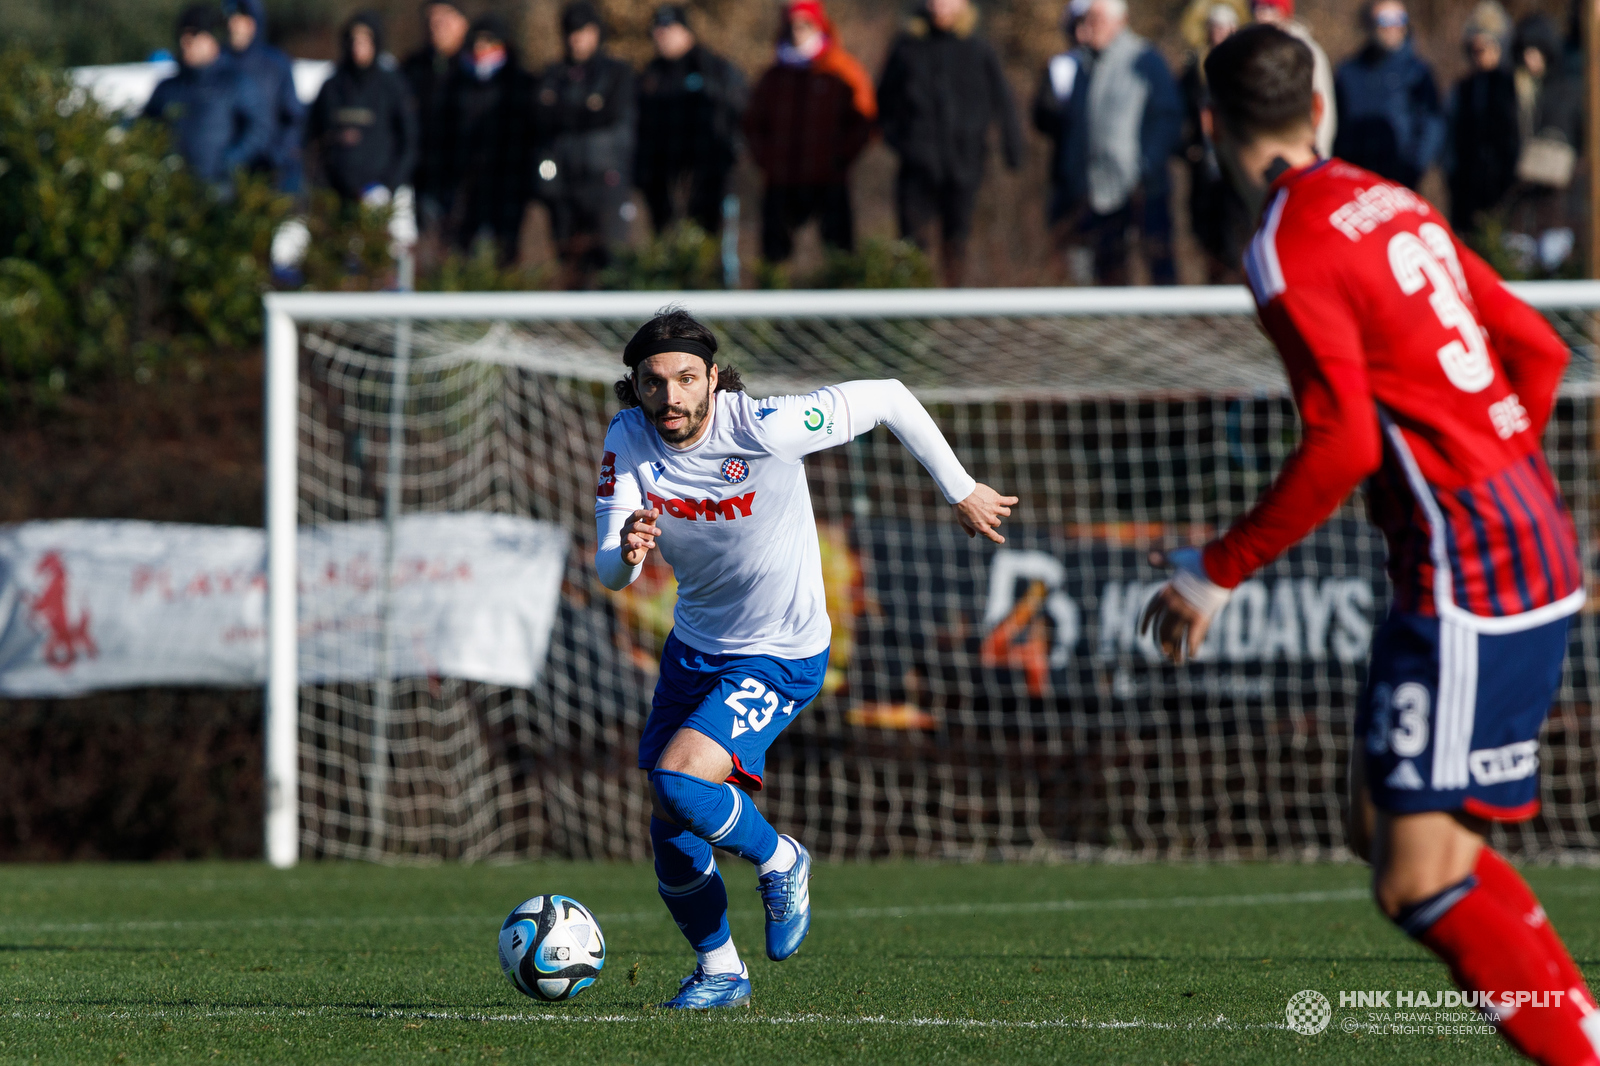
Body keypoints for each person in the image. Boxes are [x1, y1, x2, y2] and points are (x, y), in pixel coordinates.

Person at [1142, 26, 1599, 1066]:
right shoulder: (1392, 198)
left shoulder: (1280, 243)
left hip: (1474, 561)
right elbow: (1535, 346)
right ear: (1316, 110)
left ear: (1210, 127)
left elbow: (1343, 438)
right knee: (1376, 818)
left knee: (1414, 872)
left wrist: (1216, 570)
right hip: (1499, 532)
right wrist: (1495, 463)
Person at [594, 307, 1015, 1008]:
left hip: (782, 651)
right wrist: (628, 551)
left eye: (686, 379)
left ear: (712, 381)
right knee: (669, 831)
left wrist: (960, 488)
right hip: (694, 648)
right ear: (634, 387)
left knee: (677, 783)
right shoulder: (627, 438)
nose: (671, 397)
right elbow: (612, 569)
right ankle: (721, 971)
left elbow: (886, 395)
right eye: (654, 382)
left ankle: (781, 858)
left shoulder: (762, 426)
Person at [877, 0, 1023, 285]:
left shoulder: (978, 49)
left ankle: (957, 315)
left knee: (958, 242)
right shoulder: (907, 47)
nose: (939, 6)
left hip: (964, 164)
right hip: (917, 167)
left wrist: (1012, 149)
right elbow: (883, 103)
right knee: (911, 245)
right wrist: (902, 143)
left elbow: (1004, 101)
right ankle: (913, 312)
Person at [1053, 0, 1184, 286]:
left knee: (1157, 263)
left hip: (1142, 187)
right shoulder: (1086, 63)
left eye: (1096, 20)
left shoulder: (1145, 58)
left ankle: (1172, 328)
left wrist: (1146, 165)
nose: (1088, 28)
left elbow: (1168, 116)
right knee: (1108, 269)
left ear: (1120, 20)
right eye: (1086, 20)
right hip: (1096, 190)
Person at [742, 0, 876, 265]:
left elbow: (864, 120)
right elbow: (752, 124)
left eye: (806, 24)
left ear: (820, 25)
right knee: (775, 260)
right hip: (781, 181)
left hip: (829, 179)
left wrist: (840, 157)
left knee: (838, 256)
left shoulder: (843, 70)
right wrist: (767, 160)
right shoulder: (773, 76)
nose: (798, 30)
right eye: (792, 24)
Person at [532, 1, 638, 289]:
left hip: (605, 182)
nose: (575, 39)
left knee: (611, 262)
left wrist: (565, 109)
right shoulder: (553, 74)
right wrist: (587, 107)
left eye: (583, 31)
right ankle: (575, 332)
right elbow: (542, 114)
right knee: (569, 263)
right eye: (570, 32)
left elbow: (608, 112)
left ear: (597, 33)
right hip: (564, 185)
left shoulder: (616, 72)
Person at [634, 6, 747, 237]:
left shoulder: (713, 68)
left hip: (710, 177)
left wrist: (731, 153)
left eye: (667, 29)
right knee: (667, 246)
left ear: (686, 31)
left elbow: (740, 112)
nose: (661, 36)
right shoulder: (650, 75)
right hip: (663, 181)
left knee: (710, 245)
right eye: (657, 30)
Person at [143, 4, 272, 193]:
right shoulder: (167, 88)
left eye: (194, 34)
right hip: (171, 195)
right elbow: (145, 128)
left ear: (212, 40)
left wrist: (229, 162)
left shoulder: (235, 83)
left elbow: (259, 128)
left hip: (220, 195)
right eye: (182, 35)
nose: (185, 42)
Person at [307, 12, 419, 208]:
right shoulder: (332, 86)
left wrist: (388, 187)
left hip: (379, 199)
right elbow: (312, 137)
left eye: (365, 39)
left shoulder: (392, 85)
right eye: (353, 39)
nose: (358, 46)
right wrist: (320, 183)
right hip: (334, 195)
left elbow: (409, 141)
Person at [1333, 0, 1445, 189]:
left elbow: (1431, 126)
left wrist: (1412, 169)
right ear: (1369, 23)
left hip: (1401, 182)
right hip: (1355, 182)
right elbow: (1338, 126)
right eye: (1385, 20)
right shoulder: (1348, 73)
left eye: (1400, 19)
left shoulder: (1418, 73)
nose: (1393, 27)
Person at [1177, 0, 1251, 283]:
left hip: (1235, 167)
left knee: (1238, 237)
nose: (1219, 33)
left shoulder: (1244, 65)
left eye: (1225, 27)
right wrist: (1188, 146)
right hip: (1205, 169)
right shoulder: (1194, 68)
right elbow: (1183, 113)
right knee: (1207, 239)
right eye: (1214, 27)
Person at [447, 15, 532, 263]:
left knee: (506, 252)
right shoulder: (458, 83)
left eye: (488, 40)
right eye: (476, 41)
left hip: (509, 182)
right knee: (461, 252)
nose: (480, 48)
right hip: (468, 182)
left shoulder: (520, 83)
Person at [1505, 13, 1583, 274]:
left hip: (1561, 210)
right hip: (1518, 211)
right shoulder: (1514, 94)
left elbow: (1583, 147)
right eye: (1525, 51)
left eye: (1536, 51)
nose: (1530, 58)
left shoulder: (1569, 93)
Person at [1447, 2, 1520, 236]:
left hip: (1508, 190)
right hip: (1469, 190)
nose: (1480, 55)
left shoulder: (1515, 85)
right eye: (1474, 50)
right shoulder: (1463, 89)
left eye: (1486, 47)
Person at [401, 1, 472, 241]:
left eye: (445, 19)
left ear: (464, 22)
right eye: (432, 20)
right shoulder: (412, 69)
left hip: (468, 180)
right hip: (424, 175)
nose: (437, 27)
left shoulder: (478, 69)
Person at [1032, 0, 1090, 281]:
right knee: (1068, 246)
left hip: (1108, 178)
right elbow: (1041, 116)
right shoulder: (1060, 67)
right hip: (1067, 174)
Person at [222, 0, 306, 193]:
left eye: (240, 19)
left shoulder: (276, 64)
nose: (232, 25)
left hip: (272, 173)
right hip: (227, 174)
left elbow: (293, 117)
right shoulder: (219, 63)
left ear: (254, 23)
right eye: (230, 19)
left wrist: (279, 155)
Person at [1251, 0, 1335, 158]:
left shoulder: (1307, 51)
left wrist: (1319, 154)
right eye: (1256, 7)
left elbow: (1324, 108)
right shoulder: (1251, 53)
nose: (1260, 15)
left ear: (1284, 12)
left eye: (1269, 8)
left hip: (1302, 153)